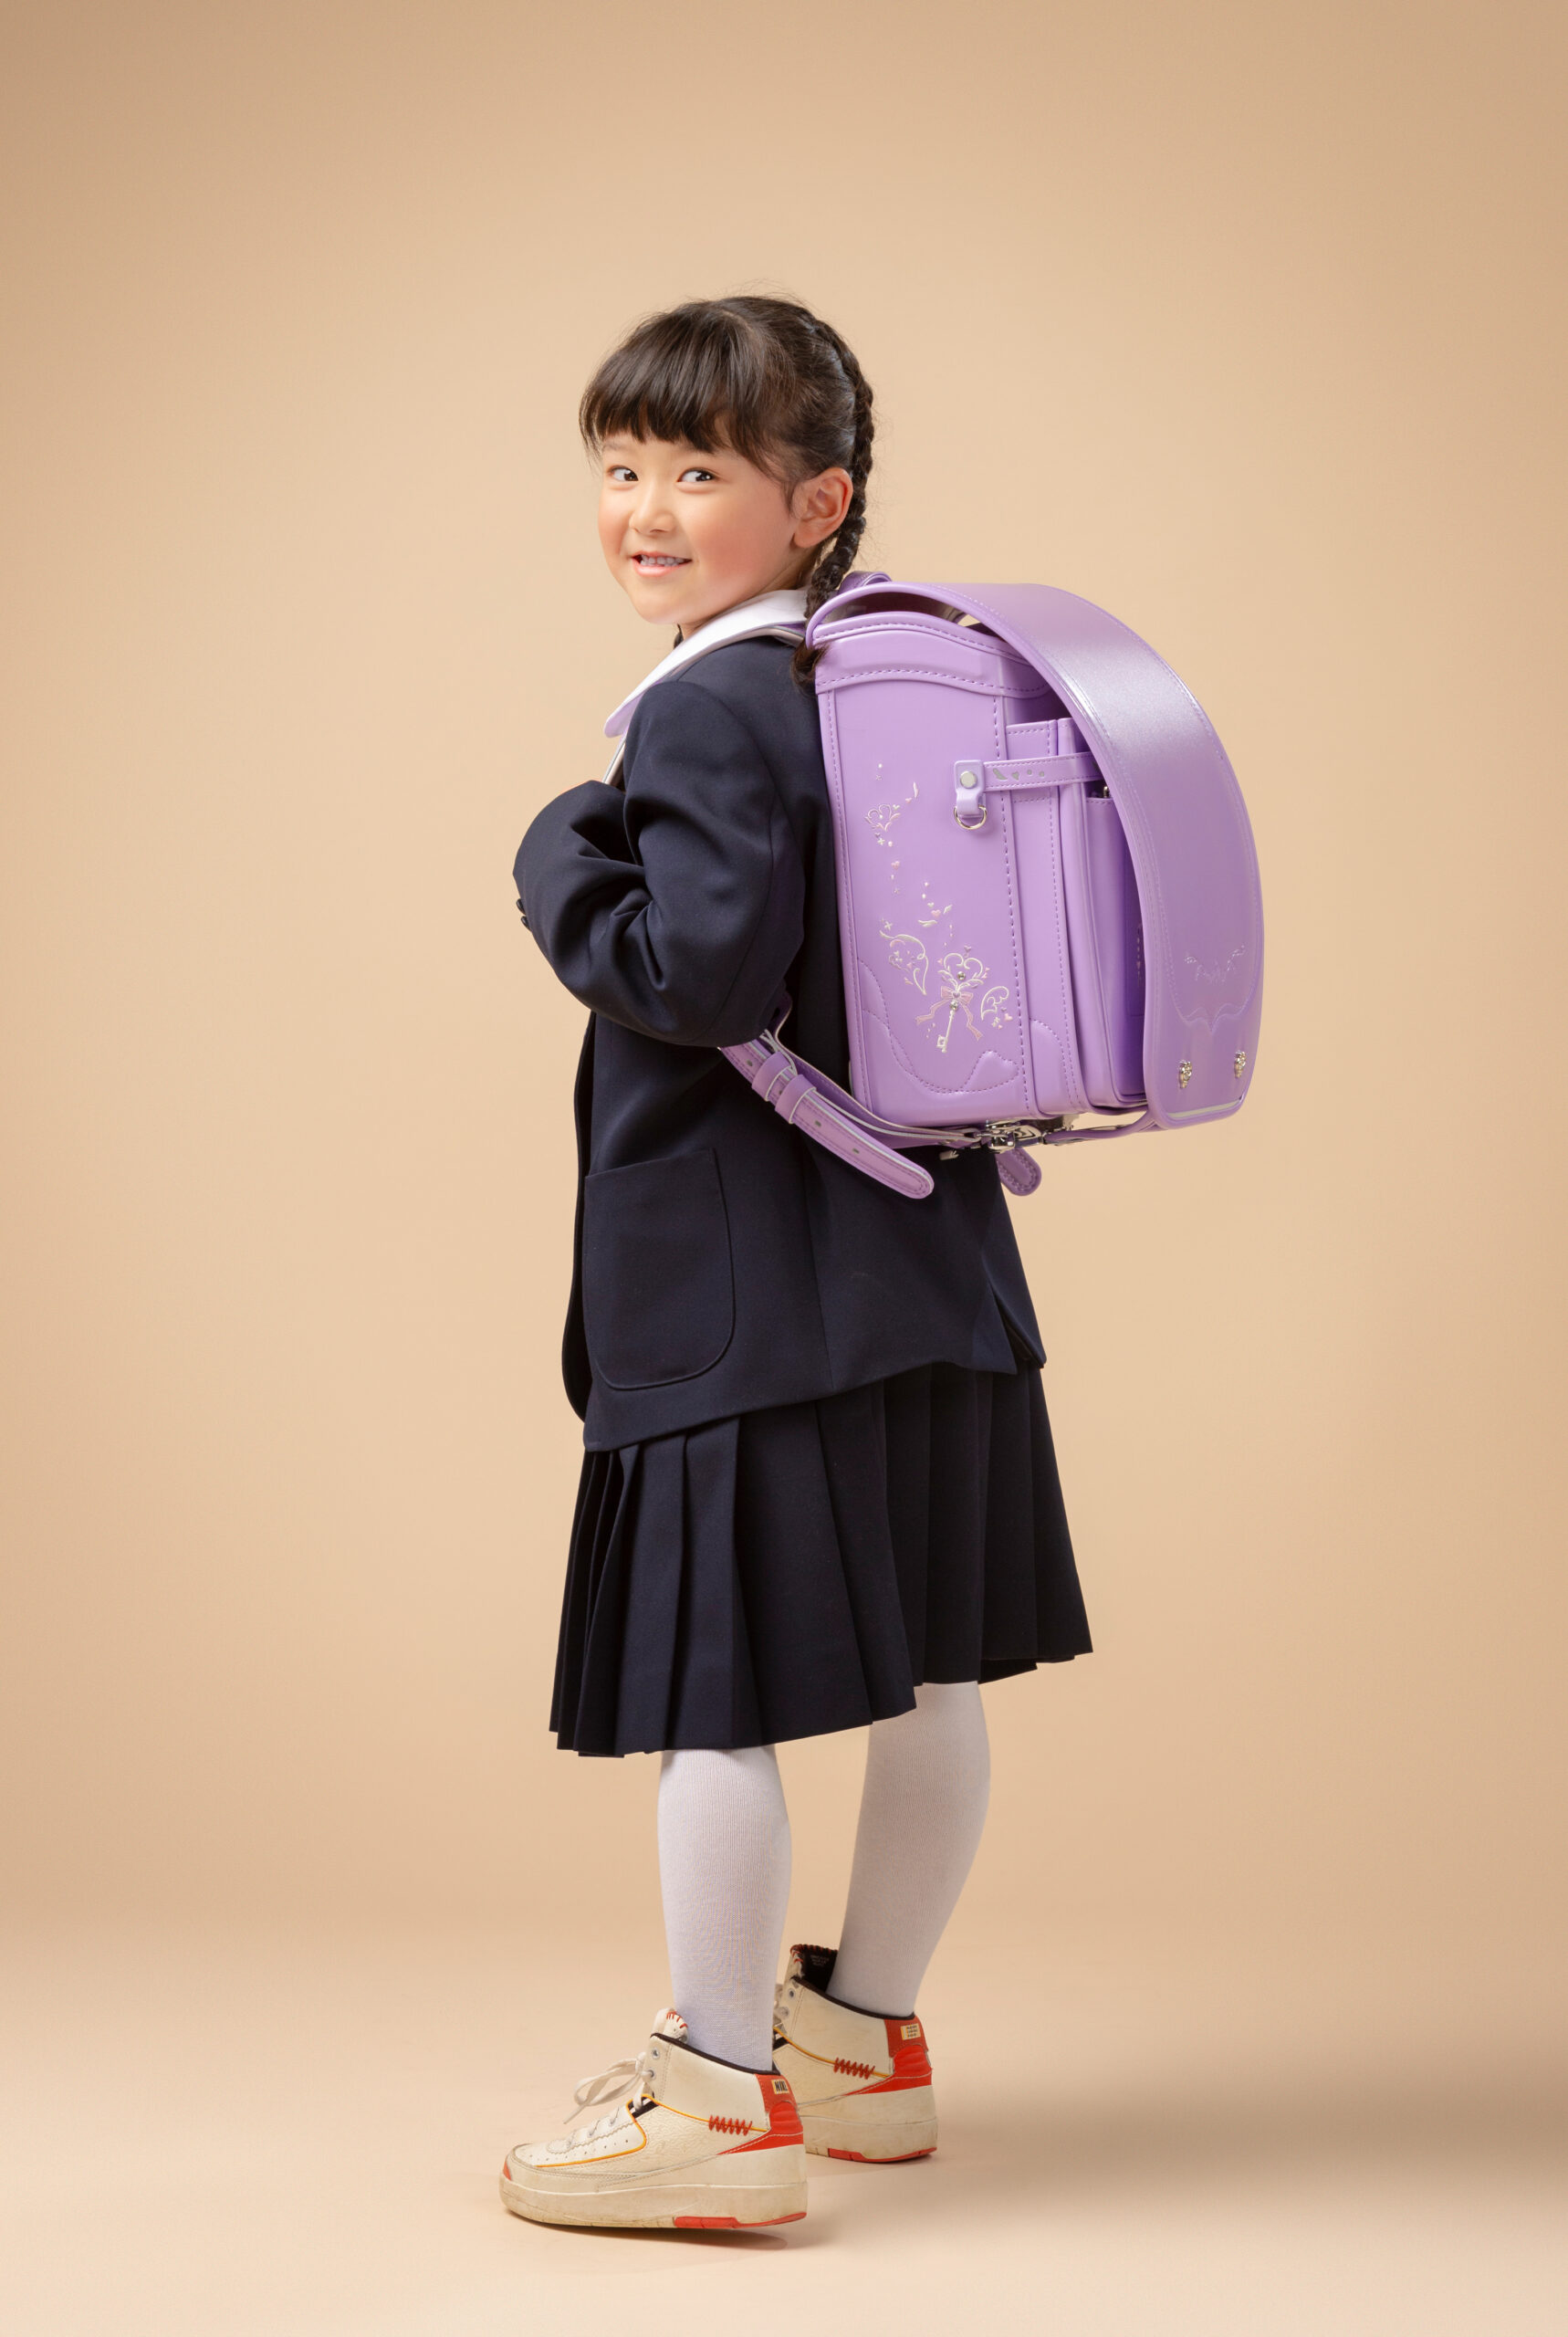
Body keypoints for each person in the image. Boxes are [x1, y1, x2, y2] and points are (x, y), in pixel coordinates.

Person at [500, 296, 1091, 2232]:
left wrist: (561, 857)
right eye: (620, 466)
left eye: (699, 471)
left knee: (715, 1694)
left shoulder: (707, 704)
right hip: (927, 1256)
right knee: (928, 1672)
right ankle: (862, 2045)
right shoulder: (898, 673)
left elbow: (696, 976)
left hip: (745, 1291)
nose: (645, 510)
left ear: (815, 500)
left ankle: (714, 2105)